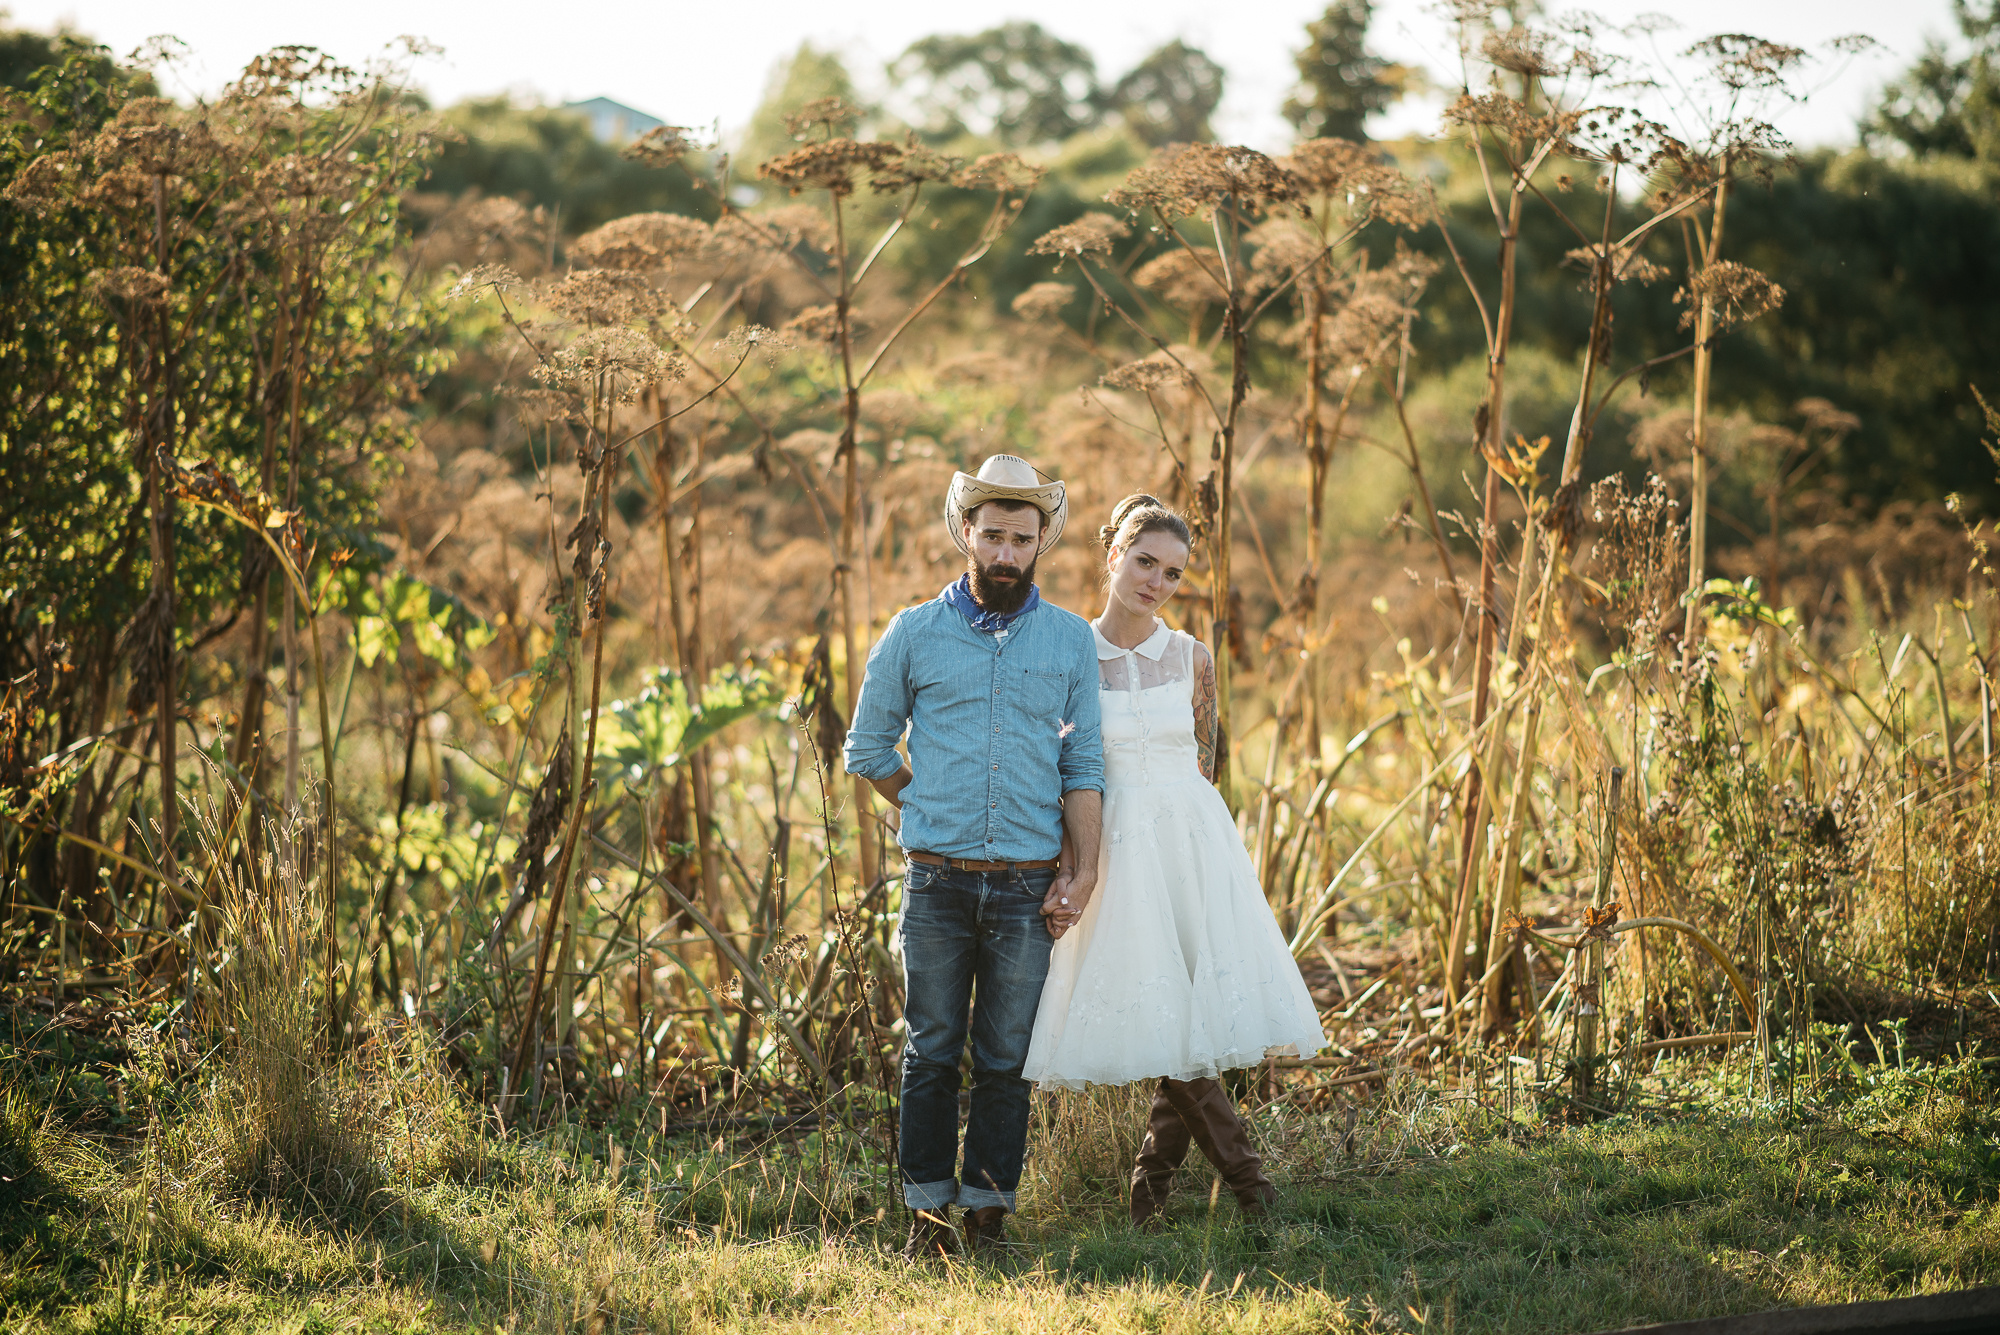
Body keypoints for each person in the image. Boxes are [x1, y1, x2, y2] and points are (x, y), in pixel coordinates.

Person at [1023, 494, 1325, 1227]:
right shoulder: (1065, 650)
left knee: (1187, 1005)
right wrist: (1073, 857)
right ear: (1113, 556)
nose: (1155, 581)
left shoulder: (1192, 655)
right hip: (1111, 846)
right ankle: (1249, 1186)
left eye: (1173, 572)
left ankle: (1152, 1189)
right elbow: (1054, 763)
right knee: (1164, 1004)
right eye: (1144, 561)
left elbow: (1207, 759)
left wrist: (1191, 837)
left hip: (1191, 843)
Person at [843, 454, 1105, 1259]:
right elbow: (866, 746)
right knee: (929, 1050)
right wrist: (923, 804)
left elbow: (1084, 764)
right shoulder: (913, 632)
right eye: (990, 534)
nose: (1003, 552)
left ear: (1039, 545)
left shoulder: (1068, 641)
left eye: (1019, 539)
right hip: (937, 882)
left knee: (1004, 1058)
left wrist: (1082, 868)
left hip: (1027, 885)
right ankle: (925, 1220)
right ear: (965, 532)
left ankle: (987, 1217)